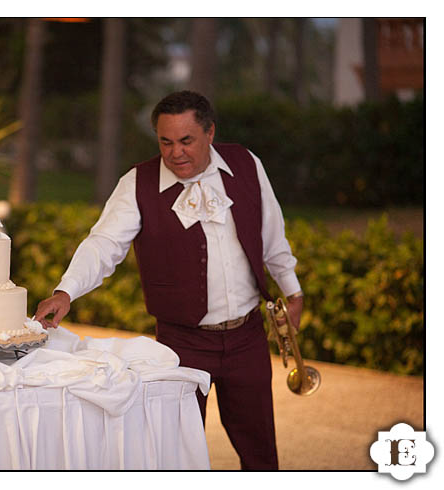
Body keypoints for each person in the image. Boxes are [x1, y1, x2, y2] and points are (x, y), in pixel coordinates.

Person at [34, 90, 304, 470]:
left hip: (247, 337)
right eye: (166, 141)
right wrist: (66, 291)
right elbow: (104, 243)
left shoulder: (246, 164)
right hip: (182, 342)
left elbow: (272, 233)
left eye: (186, 140)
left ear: (210, 133)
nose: (176, 152)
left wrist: (292, 290)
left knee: (261, 452)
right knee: (177, 456)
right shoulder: (138, 183)